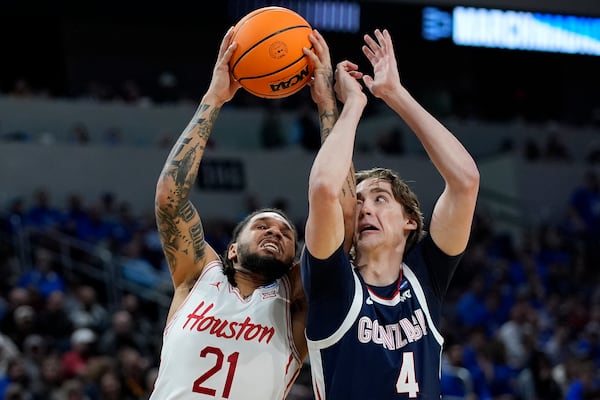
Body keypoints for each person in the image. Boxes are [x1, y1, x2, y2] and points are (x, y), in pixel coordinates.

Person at [148, 26, 345, 399]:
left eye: (287, 234)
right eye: (262, 226)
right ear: (232, 250)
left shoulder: (295, 304)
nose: (276, 233)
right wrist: (214, 98)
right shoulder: (196, 276)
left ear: (293, 260)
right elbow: (169, 200)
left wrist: (327, 107)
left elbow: (341, 223)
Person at [301, 28, 480, 399]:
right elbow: (324, 189)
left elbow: (465, 181)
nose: (365, 207)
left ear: (409, 221)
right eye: (361, 200)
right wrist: (349, 107)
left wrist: (395, 95)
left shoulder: (423, 278)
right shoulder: (334, 284)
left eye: (380, 198)